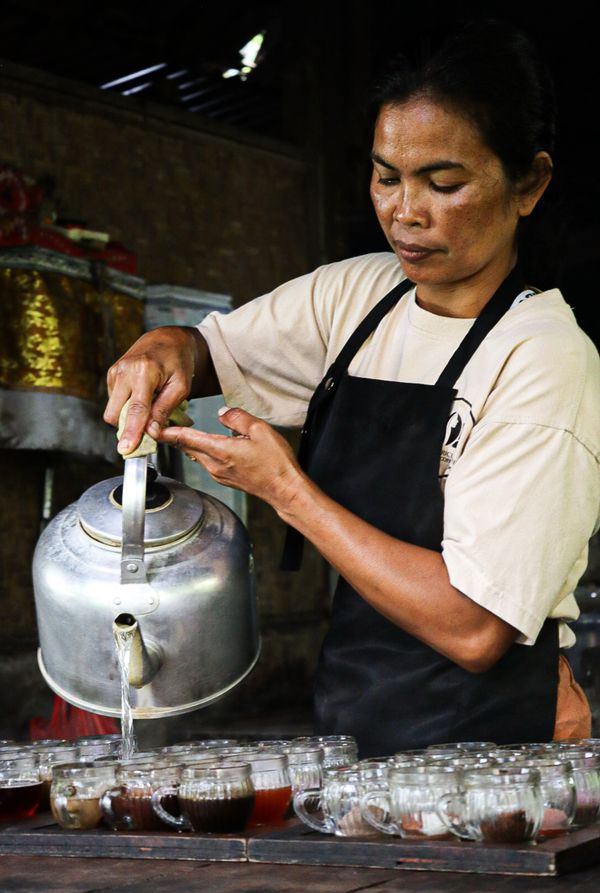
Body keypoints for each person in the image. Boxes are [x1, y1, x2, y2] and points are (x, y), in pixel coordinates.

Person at [104, 19, 600, 756]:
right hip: (354, 736)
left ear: (529, 183)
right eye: (386, 176)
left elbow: (476, 629)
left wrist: (288, 492)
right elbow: (203, 349)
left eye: (444, 182)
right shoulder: (361, 298)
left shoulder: (542, 355)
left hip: (498, 757)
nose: (405, 211)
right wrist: (156, 352)